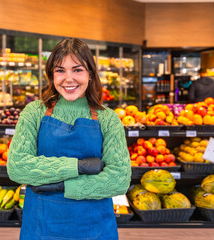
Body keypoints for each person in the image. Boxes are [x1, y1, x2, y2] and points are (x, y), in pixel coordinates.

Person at [7, 38, 131, 240]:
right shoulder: (34, 112)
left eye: (77, 70)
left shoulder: (108, 119)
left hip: (95, 229)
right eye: (60, 70)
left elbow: (118, 180)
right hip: (42, 226)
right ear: (51, 75)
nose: (68, 78)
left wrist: (61, 186)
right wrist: (81, 166)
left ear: (90, 74)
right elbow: (18, 167)